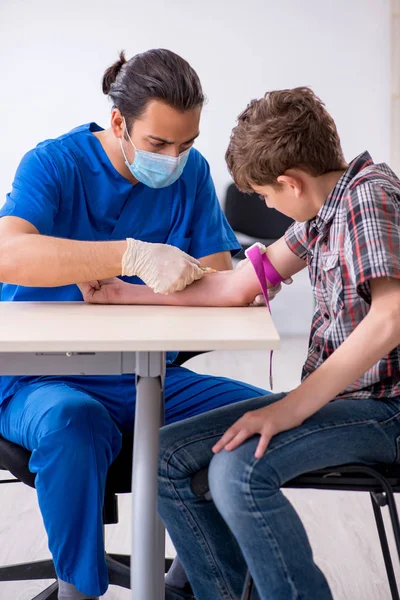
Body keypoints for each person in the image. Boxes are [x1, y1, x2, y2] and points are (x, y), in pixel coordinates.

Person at [0, 49, 275, 600]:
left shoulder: (190, 175)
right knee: (74, 424)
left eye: (187, 144)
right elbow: (10, 254)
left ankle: (189, 576)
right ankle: (77, 592)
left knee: (264, 420)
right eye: (158, 144)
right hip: (39, 383)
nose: (173, 159)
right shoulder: (54, 164)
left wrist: (201, 278)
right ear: (120, 122)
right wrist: (129, 254)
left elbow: (220, 279)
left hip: (148, 379)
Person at [150, 88, 399, 599]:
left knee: (238, 474)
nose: (266, 206)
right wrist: (122, 293)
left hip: (385, 411)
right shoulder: (321, 213)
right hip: (349, 405)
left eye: (265, 196)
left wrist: (288, 409)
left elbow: (390, 318)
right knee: (167, 458)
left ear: (291, 183)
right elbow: (241, 284)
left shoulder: (367, 200)